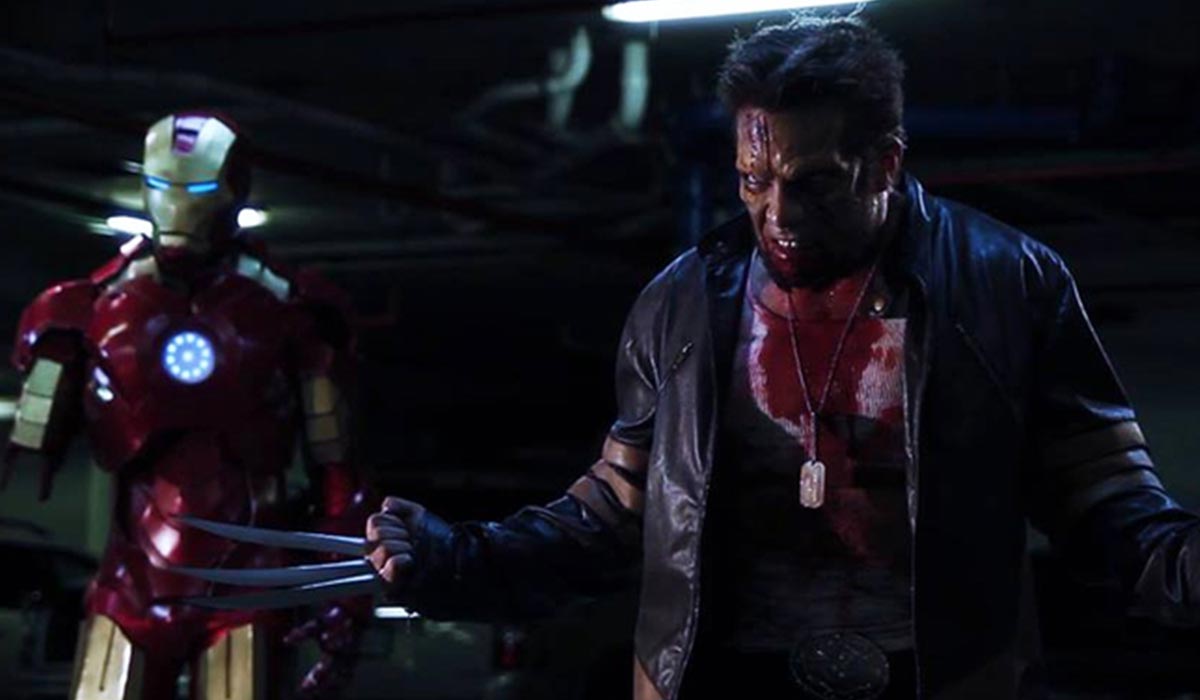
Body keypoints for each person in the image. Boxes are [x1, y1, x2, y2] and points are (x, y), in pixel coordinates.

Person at [365, 17, 1200, 700]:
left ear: (887, 161)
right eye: (753, 179)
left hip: (933, 679)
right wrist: (454, 561)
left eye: (813, 182)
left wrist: (1186, 567)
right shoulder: (682, 303)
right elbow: (614, 513)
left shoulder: (1007, 283)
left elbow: (1103, 497)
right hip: (724, 680)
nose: (778, 213)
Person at [3, 112, 373, 700]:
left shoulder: (293, 312)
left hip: (247, 580)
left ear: (234, 190)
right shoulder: (84, 310)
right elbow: (31, 441)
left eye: (199, 187)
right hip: (132, 582)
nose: (178, 206)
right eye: (162, 186)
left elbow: (338, 472)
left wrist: (344, 591)